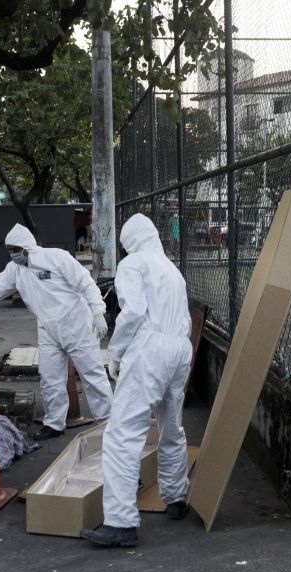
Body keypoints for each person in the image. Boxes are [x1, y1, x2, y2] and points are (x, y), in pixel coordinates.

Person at [81, 214, 193, 547]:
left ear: (128, 242)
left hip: (150, 350)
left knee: (122, 435)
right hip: (180, 348)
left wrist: (115, 353)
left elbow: (131, 313)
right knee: (171, 426)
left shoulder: (133, 265)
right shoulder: (173, 271)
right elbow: (184, 317)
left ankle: (120, 523)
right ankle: (176, 498)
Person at [0, 224, 112, 440]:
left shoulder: (56, 258)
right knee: (50, 377)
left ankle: (108, 422)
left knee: (92, 375)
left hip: (77, 326)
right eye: (10, 250)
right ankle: (55, 424)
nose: (12, 254)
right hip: (47, 327)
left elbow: (85, 282)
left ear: (26, 247)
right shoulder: (15, 270)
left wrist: (98, 311)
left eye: (15, 249)